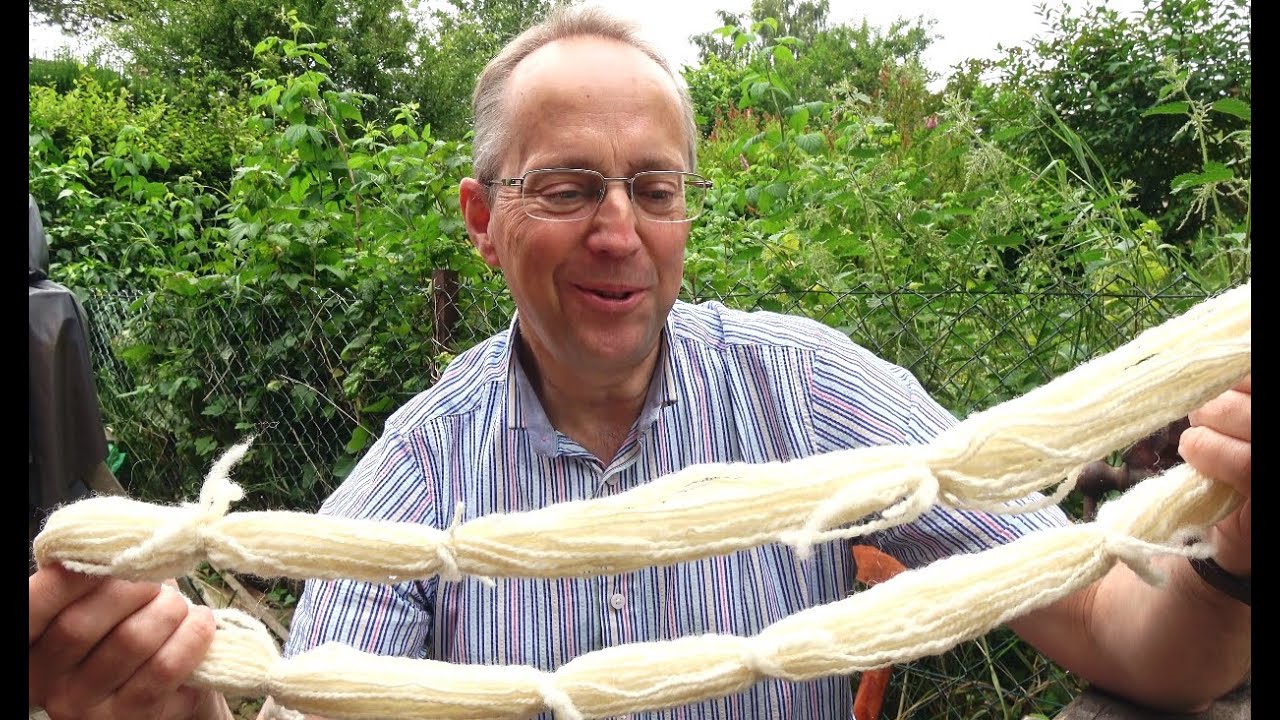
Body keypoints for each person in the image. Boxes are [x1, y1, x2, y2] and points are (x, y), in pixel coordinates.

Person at [28, 6, 1250, 720]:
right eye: (566, 187)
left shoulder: (810, 395)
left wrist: (1235, 567)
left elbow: (1139, 642)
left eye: (653, 189)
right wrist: (172, 695)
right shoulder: (420, 474)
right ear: (479, 217)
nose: (618, 230)